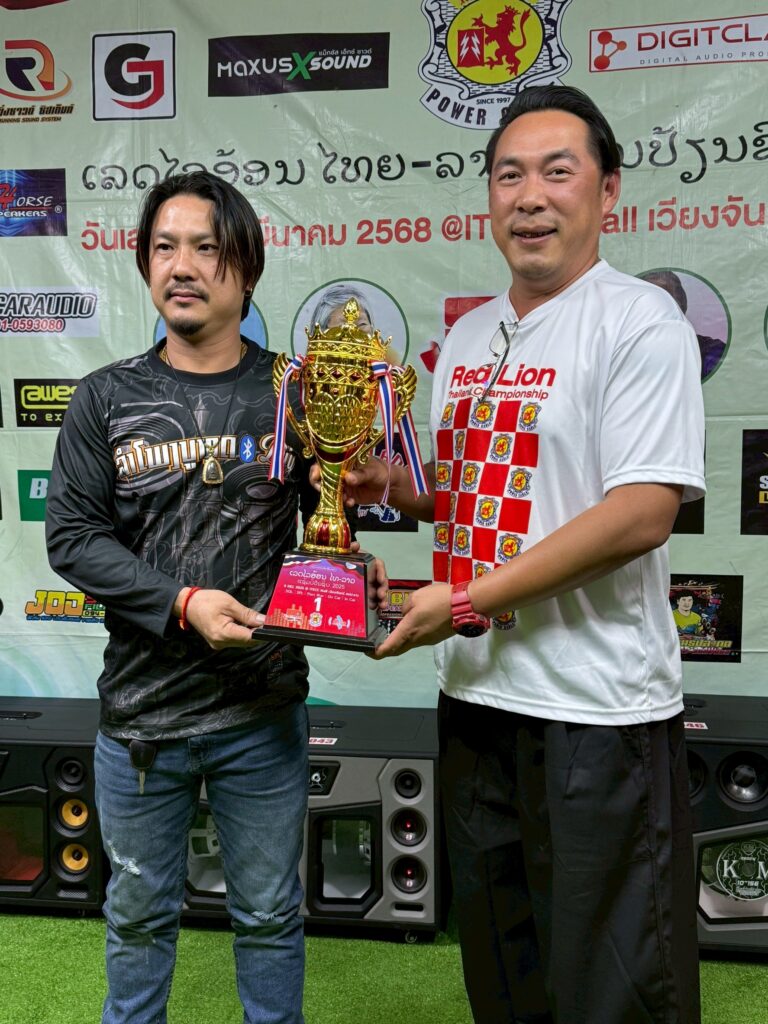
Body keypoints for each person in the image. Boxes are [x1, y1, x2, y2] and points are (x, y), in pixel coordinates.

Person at [339, 86, 705, 1023]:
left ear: (608, 191)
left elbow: (641, 512)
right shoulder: (468, 337)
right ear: (490, 197)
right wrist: (399, 489)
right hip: (476, 700)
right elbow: (486, 492)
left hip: (595, 712)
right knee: (504, 979)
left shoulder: (640, 320)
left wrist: (463, 601)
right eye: (510, 176)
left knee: (613, 991)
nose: (530, 196)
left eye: (557, 171)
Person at [46, 171, 314, 1024]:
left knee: (269, 919)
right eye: (165, 247)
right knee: (136, 920)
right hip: (140, 722)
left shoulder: (296, 394)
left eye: (205, 247)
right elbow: (73, 538)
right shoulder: (105, 397)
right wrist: (183, 602)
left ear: (247, 267)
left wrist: (353, 575)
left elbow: (330, 526)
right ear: (145, 264)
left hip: (261, 714)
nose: (183, 266)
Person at [638, 268, 726, 380]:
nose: (655, 315)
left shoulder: (711, 353)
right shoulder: (625, 352)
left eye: (663, 305)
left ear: (681, 309)